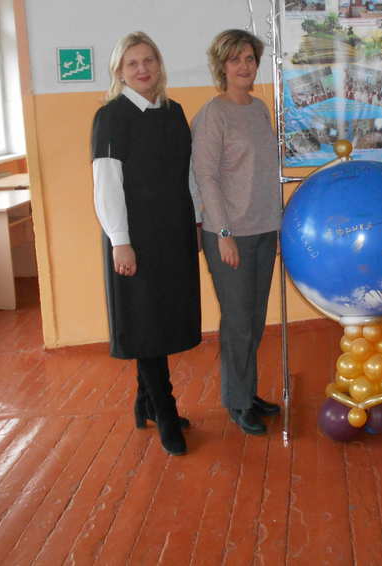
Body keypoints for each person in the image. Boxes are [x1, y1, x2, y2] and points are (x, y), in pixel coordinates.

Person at [91, 31, 201, 455]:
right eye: (133, 63)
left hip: (173, 232)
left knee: (162, 317)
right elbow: (106, 185)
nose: (142, 69)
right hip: (134, 237)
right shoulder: (111, 117)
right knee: (145, 320)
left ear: (159, 65)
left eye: (149, 60)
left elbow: (188, 173)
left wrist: (196, 220)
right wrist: (120, 241)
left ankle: (145, 402)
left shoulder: (174, 113)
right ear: (119, 71)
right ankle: (166, 411)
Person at [191, 29, 282, 436]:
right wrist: (223, 232)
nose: (244, 66)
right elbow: (206, 176)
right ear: (221, 66)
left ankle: (248, 391)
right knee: (239, 322)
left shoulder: (259, 109)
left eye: (249, 58)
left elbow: (264, 171)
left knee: (255, 319)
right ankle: (237, 402)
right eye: (235, 59)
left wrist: (278, 220)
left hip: (264, 228)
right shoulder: (214, 114)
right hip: (229, 234)